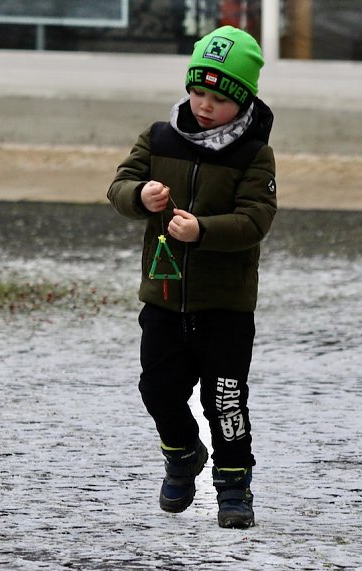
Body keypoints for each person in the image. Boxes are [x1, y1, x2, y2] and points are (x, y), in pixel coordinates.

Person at [107, 25, 276, 529]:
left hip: (224, 304)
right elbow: (119, 185)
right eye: (198, 91)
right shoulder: (159, 138)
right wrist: (140, 197)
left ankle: (233, 484)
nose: (204, 105)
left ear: (243, 102)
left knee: (224, 400)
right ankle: (182, 455)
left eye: (219, 99)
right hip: (164, 298)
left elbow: (255, 220)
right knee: (158, 390)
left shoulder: (253, 154)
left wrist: (203, 230)